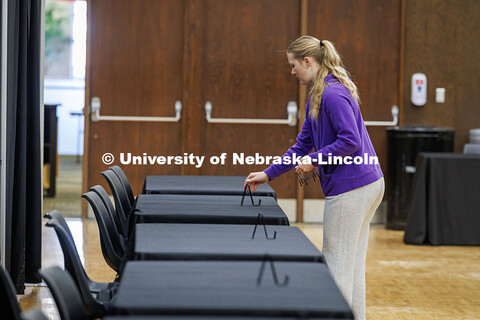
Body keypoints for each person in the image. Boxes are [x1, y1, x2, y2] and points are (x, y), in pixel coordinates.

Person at [244, 35, 384, 320]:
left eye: (294, 65)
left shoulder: (332, 94)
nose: (292, 71)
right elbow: (302, 144)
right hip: (365, 184)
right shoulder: (319, 95)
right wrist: (269, 173)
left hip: (353, 188)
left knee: (335, 264)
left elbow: (350, 141)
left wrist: (314, 159)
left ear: (308, 61)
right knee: (351, 265)